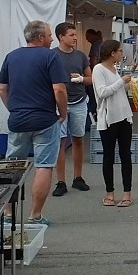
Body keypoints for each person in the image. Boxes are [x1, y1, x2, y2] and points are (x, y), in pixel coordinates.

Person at [0, 20, 69, 225]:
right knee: (44, 166)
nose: (52, 38)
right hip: (45, 119)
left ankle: (8, 214)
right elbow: (59, 89)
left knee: (12, 167)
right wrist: (62, 112)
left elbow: (2, 88)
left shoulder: (11, 57)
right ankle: (35, 215)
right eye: (49, 35)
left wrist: (13, 109)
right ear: (40, 38)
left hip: (18, 120)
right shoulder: (51, 56)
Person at [91, 39, 134, 206]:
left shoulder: (114, 69)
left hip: (123, 115)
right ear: (112, 53)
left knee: (125, 155)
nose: (122, 53)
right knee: (108, 156)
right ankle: (110, 192)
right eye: (120, 51)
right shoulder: (98, 69)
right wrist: (122, 81)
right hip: (108, 118)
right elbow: (102, 92)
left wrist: (126, 84)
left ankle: (127, 193)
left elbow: (118, 90)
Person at [52, 22, 92, 197]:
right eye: (71, 35)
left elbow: (91, 79)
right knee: (59, 142)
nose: (75, 38)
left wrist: (81, 79)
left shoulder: (81, 56)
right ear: (61, 36)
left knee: (78, 139)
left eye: (75, 35)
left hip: (79, 101)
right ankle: (60, 181)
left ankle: (78, 177)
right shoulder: (52, 55)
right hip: (58, 103)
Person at [85, 29, 103, 121]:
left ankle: (93, 117)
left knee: (93, 97)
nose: (87, 40)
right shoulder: (101, 43)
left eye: (88, 37)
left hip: (95, 73)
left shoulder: (95, 45)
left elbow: (93, 60)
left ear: (93, 36)